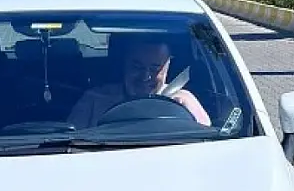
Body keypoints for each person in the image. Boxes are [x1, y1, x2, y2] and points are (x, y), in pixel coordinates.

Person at [68, 35, 211, 129]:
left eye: (155, 68)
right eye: (137, 67)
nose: (145, 76)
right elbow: (70, 140)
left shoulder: (183, 100)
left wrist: (183, 112)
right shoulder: (95, 100)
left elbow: (208, 140)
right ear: (124, 65)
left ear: (167, 68)